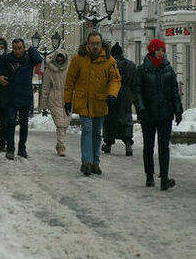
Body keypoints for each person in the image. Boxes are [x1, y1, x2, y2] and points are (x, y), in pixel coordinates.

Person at [64, 32, 121, 176]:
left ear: (102, 44)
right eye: (92, 43)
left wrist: (112, 94)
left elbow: (115, 79)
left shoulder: (109, 61)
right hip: (83, 101)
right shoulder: (79, 59)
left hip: (100, 101)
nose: (95, 46)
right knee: (87, 130)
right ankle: (86, 162)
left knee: (96, 133)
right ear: (87, 44)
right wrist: (67, 100)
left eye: (97, 43)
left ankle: (96, 162)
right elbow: (70, 80)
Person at [134, 38, 183, 190]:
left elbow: (174, 91)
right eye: (158, 50)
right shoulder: (142, 69)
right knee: (148, 146)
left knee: (164, 146)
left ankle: (164, 177)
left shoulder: (168, 69)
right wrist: (141, 108)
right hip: (148, 114)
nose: (161, 53)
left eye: (162, 50)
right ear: (152, 51)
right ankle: (149, 176)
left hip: (164, 113)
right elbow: (137, 91)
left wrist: (178, 109)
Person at [0, 38, 43, 160]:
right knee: (10, 123)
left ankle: (22, 148)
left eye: (20, 48)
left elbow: (39, 60)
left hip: (25, 97)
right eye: (14, 48)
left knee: (24, 124)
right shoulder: (7, 58)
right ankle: (10, 149)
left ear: (24, 47)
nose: (17, 51)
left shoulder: (29, 59)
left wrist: (32, 49)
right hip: (11, 97)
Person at [102, 42, 136, 156]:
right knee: (126, 119)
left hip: (112, 94)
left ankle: (108, 144)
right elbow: (134, 83)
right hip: (126, 95)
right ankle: (127, 144)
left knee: (110, 120)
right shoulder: (131, 65)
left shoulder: (109, 64)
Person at [39, 49, 70, 156]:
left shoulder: (69, 69)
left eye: (62, 59)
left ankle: (59, 143)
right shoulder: (50, 70)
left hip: (68, 99)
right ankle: (62, 146)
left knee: (65, 123)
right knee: (60, 124)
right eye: (58, 59)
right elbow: (46, 87)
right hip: (55, 99)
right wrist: (43, 104)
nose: (60, 61)